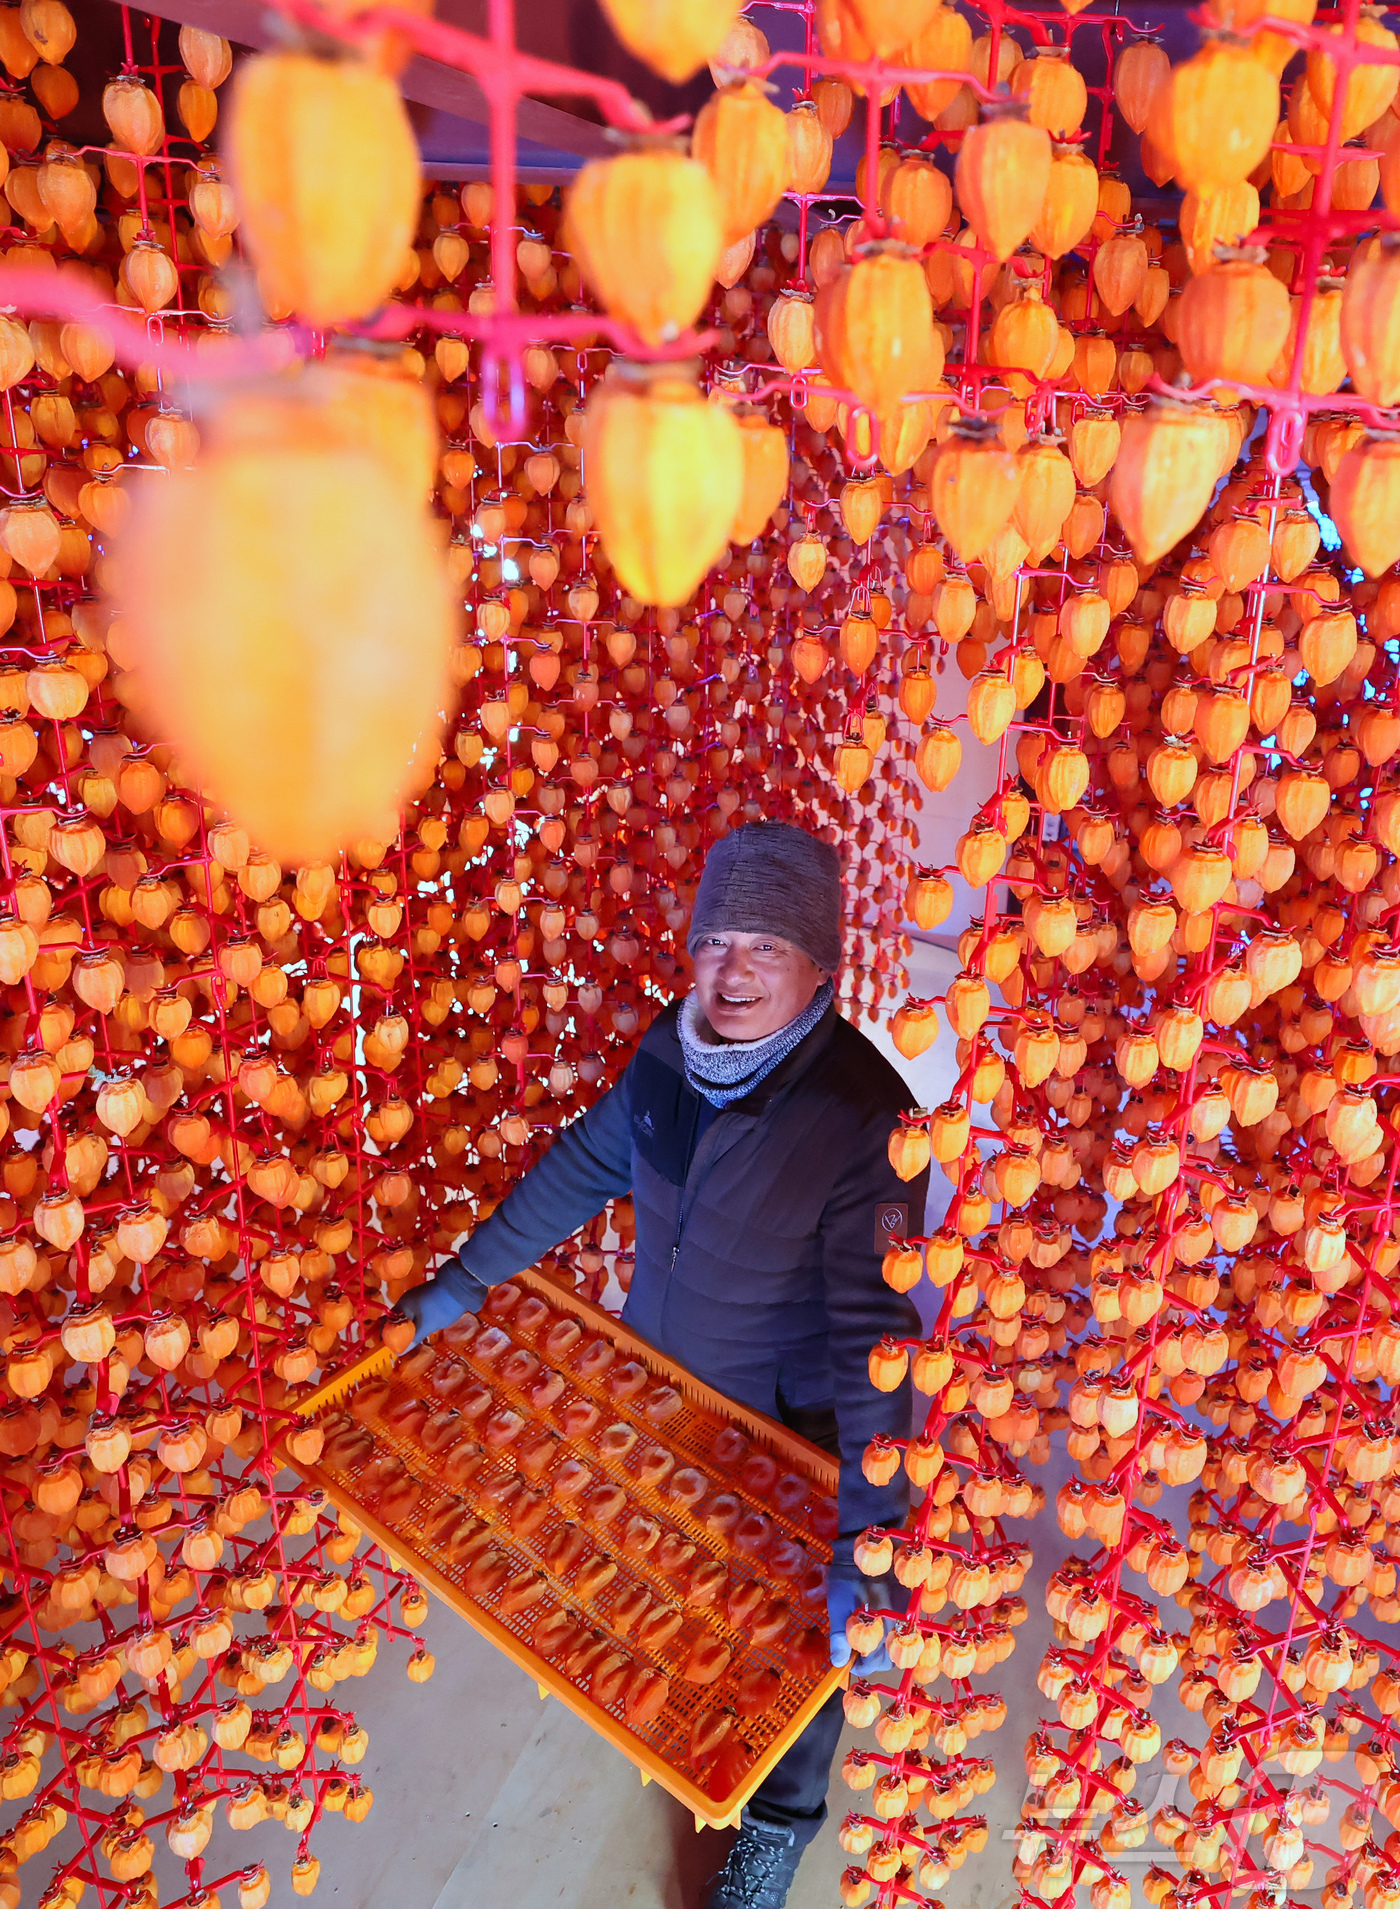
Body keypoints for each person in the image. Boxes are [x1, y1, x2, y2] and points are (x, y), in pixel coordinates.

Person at [400, 820, 927, 1909]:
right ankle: (698, 1740)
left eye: (763, 949)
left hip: (787, 1428)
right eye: (714, 941)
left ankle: (777, 1826)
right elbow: (586, 1165)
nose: (730, 971)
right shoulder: (668, 1052)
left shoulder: (862, 1116)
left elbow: (872, 1335)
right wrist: (466, 1277)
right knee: (686, 1596)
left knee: (786, 1647)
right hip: (665, 1384)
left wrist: (869, 1535)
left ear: (819, 968)